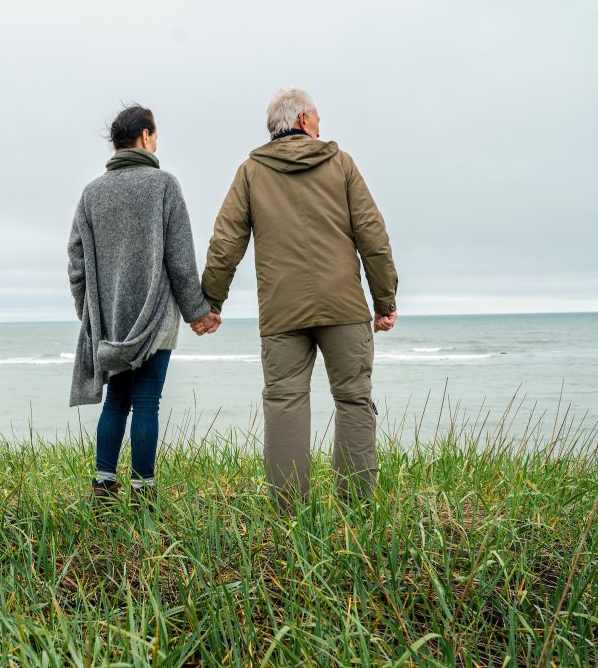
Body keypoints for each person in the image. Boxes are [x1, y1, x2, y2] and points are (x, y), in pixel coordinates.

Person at [201, 88, 398, 511]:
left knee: (285, 400)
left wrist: (210, 303)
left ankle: (289, 515)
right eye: (318, 119)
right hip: (344, 306)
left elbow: (225, 243)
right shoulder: (341, 164)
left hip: (281, 310)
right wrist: (385, 300)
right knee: (353, 398)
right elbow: (373, 236)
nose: (320, 125)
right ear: (305, 119)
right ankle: (356, 510)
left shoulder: (251, 172)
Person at [68, 104, 221, 506]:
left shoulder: (91, 194)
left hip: (112, 323)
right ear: (147, 136)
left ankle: (102, 486)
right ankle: (143, 492)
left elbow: (76, 263)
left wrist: (91, 315)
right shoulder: (164, 185)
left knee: (117, 400)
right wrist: (198, 313)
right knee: (147, 401)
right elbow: (181, 260)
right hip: (155, 320)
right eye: (156, 135)